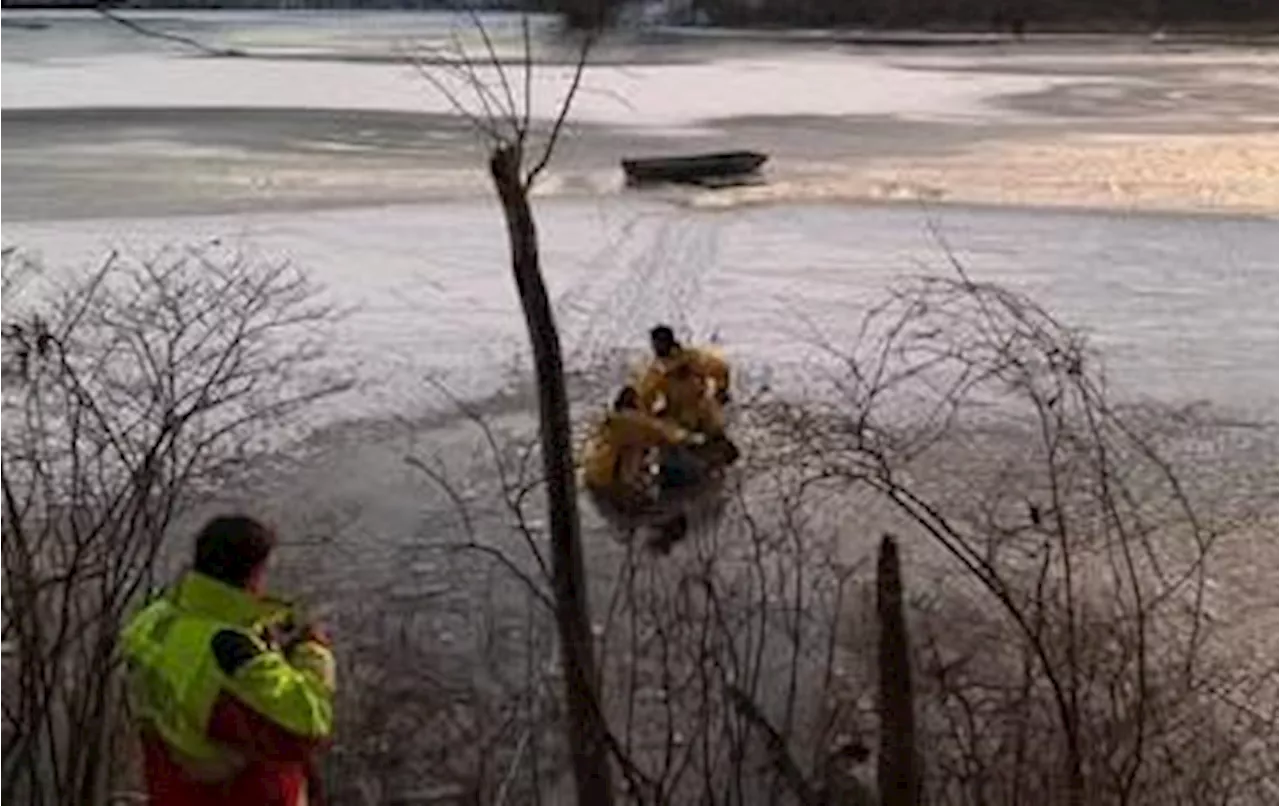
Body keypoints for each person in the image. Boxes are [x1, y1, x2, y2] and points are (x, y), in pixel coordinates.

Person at [120, 515, 335, 806]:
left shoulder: (156, 619)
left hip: (174, 788)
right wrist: (314, 651)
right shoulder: (229, 651)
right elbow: (308, 724)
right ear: (253, 574)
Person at [582, 386, 704, 512]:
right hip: (606, 482)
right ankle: (630, 486)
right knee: (638, 446)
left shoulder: (612, 424)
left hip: (595, 478)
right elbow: (663, 432)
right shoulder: (629, 421)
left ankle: (632, 482)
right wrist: (693, 438)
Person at [635, 325, 732, 436]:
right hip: (677, 417)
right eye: (655, 343)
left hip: (702, 412)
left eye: (660, 343)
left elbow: (719, 368)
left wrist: (721, 390)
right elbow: (647, 395)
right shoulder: (656, 370)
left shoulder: (690, 358)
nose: (656, 347)